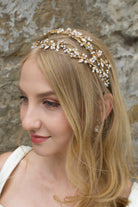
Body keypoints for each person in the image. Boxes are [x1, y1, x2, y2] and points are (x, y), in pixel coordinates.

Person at [0, 28, 137, 207]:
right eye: (24, 98)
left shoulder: (129, 200)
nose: (27, 122)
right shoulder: (4, 173)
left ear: (100, 109)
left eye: (50, 103)